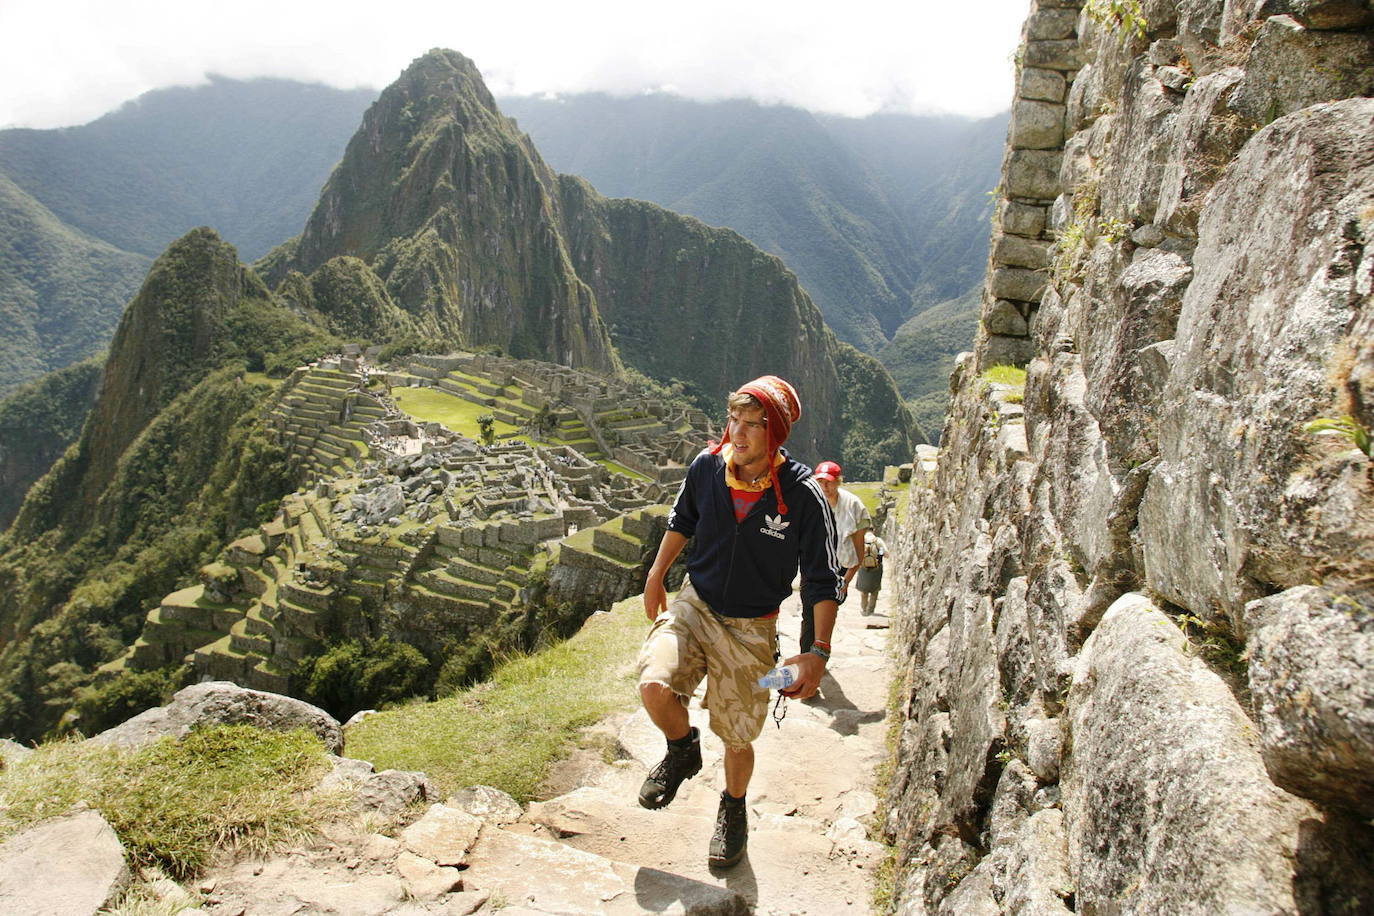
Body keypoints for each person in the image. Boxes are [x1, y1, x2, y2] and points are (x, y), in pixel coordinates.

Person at [637, 375, 842, 869]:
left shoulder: (803, 496)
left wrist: (816, 653)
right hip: (695, 602)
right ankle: (683, 749)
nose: (741, 433)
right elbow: (682, 519)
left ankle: (733, 809)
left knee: (738, 737)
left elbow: (822, 580)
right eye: (735, 420)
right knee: (654, 685)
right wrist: (656, 574)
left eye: (754, 425)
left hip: (752, 626)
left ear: (777, 434)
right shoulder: (707, 467)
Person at [800, 460, 871, 653]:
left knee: (824, 619)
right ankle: (808, 659)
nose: (825, 487)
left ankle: (817, 658)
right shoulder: (808, 502)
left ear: (839, 481)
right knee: (809, 617)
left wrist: (846, 581)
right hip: (812, 567)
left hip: (839, 571)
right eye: (820, 482)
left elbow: (858, 550)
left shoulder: (853, 506)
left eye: (829, 482)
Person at [854, 529, 888, 615]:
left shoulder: (861, 539)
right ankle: (870, 610)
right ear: (874, 531)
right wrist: (879, 556)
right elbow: (886, 554)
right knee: (874, 590)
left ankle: (864, 608)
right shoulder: (878, 540)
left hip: (863, 567)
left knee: (864, 589)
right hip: (876, 568)